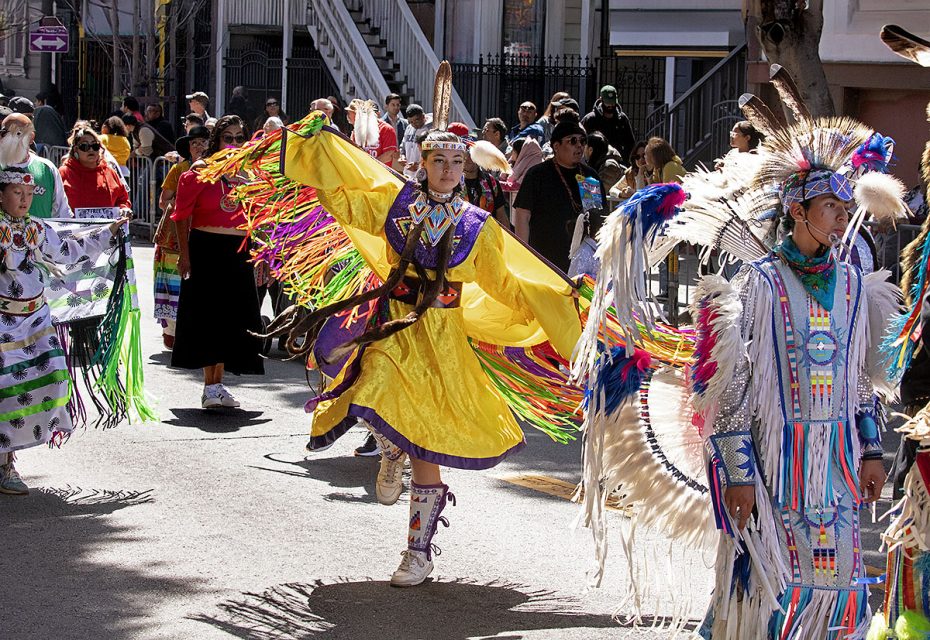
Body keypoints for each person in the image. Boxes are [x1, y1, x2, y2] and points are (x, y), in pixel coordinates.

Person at [232, 67, 580, 587]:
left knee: (427, 445)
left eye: (455, 162)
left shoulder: (476, 227)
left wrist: (559, 301)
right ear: (423, 162)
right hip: (391, 326)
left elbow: (506, 283)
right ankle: (388, 445)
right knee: (371, 392)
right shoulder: (395, 202)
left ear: (465, 169)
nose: (446, 169)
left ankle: (417, 552)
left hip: (441, 341)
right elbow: (346, 196)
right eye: (438, 160)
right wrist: (316, 147)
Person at [0, 166, 128, 495]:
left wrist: (108, 231)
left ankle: (6, 458)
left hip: (35, 319)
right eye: (18, 193)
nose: (25, 200)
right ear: (1, 195)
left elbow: (68, 250)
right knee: (6, 388)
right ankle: (5, 462)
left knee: (55, 378)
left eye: (30, 194)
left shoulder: (34, 229)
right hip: (2, 322)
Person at [170, 115, 264, 408]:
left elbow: (257, 217)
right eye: (228, 138)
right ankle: (209, 386)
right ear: (216, 141)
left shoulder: (247, 174)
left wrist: (262, 255)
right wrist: (184, 256)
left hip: (237, 249)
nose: (234, 143)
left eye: (239, 138)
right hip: (205, 247)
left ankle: (218, 384)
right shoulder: (200, 171)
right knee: (208, 315)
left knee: (230, 318)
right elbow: (181, 216)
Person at [513, 116, 606, 272]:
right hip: (545, 259)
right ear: (556, 146)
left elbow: (597, 215)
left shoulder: (590, 176)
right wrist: (524, 254)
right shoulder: (537, 174)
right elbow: (522, 215)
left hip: (582, 261)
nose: (579, 146)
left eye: (582, 141)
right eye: (572, 141)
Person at [154, 125, 210, 349]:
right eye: (195, 143)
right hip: (176, 238)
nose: (200, 146)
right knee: (175, 282)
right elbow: (163, 201)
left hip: (204, 233)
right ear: (189, 147)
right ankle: (173, 333)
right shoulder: (178, 170)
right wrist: (184, 206)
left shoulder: (217, 171)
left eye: (204, 142)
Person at [0, 113, 71, 218]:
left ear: (31, 137)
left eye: (18, 133)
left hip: (41, 233)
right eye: (5, 133)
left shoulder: (47, 168)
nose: (10, 138)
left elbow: (62, 213)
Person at [58, 122, 132, 216]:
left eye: (95, 146)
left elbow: (123, 199)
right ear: (76, 149)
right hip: (74, 229)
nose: (91, 150)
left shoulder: (109, 171)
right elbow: (55, 203)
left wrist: (124, 209)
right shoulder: (64, 172)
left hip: (108, 229)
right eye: (84, 146)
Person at [581, 85, 636, 163]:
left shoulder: (622, 119)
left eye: (612, 103)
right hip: (595, 164)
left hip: (618, 163)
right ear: (601, 100)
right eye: (607, 103)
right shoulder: (590, 119)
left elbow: (630, 143)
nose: (610, 106)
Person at [346, 99, 397, 166]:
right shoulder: (356, 131)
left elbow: (388, 156)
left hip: (380, 174)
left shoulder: (386, 129)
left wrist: (370, 166)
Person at [399, 103, 431, 178]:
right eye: (411, 122)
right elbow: (403, 147)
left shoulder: (431, 129)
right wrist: (402, 156)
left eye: (416, 120)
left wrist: (419, 164)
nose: (413, 124)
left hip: (424, 175)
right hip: (408, 174)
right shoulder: (409, 128)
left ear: (423, 116)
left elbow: (434, 152)